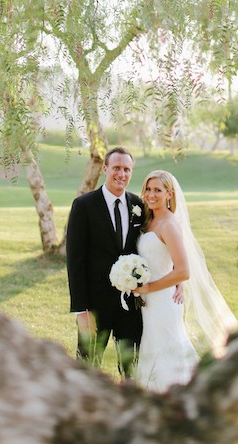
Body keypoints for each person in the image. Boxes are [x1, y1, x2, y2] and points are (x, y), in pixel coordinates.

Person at [132, 170, 238, 392]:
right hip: (150, 303)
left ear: (169, 194)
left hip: (162, 301)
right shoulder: (150, 219)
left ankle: (178, 398)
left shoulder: (169, 224)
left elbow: (183, 271)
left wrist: (148, 287)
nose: (151, 194)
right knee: (154, 347)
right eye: (148, 189)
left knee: (169, 349)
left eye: (158, 190)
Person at [66, 146, 144, 377]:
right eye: (117, 168)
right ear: (105, 169)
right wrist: (81, 310)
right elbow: (75, 260)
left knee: (131, 370)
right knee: (87, 368)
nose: (121, 174)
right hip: (95, 306)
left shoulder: (138, 205)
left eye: (127, 169)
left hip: (130, 307)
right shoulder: (84, 206)